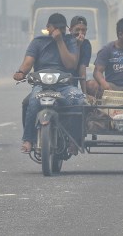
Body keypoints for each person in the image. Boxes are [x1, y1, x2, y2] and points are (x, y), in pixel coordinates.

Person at [13, 13, 85, 154]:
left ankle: (73, 139)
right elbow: (28, 63)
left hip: (64, 85)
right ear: (48, 28)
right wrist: (21, 72)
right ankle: (28, 139)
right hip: (42, 84)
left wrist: (59, 41)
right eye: (55, 28)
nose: (58, 31)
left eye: (62, 28)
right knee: (31, 102)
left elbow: (70, 64)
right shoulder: (38, 42)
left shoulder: (70, 41)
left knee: (79, 101)